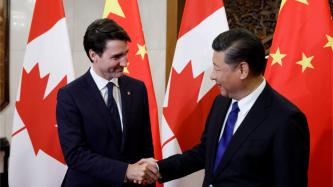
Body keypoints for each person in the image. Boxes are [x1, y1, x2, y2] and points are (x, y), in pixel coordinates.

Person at [141, 28, 310, 187]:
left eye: (217, 68)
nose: (212, 76)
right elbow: (206, 152)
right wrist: (159, 168)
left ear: (242, 69)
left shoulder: (286, 119)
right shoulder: (221, 102)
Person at [56, 18, 157, 187]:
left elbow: (145, 147)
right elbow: (75, 154)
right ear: (93, 55)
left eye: (126, 53)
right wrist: (125, 171)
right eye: (116, 57)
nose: (125, 62)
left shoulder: (137, 89)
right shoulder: (70, 95)